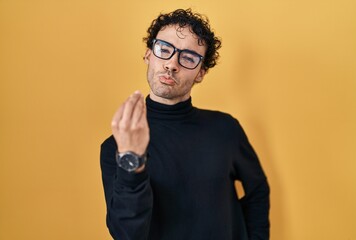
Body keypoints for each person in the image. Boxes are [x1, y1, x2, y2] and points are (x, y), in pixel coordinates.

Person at [100, 8, 270, 240]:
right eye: (164, 50)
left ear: (201, 73)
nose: (172, 64)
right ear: (148, 54)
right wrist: (132, 159)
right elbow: (127, 234)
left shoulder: (225, 129)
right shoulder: (117, 147)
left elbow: (257, 191)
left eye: (188, 57)